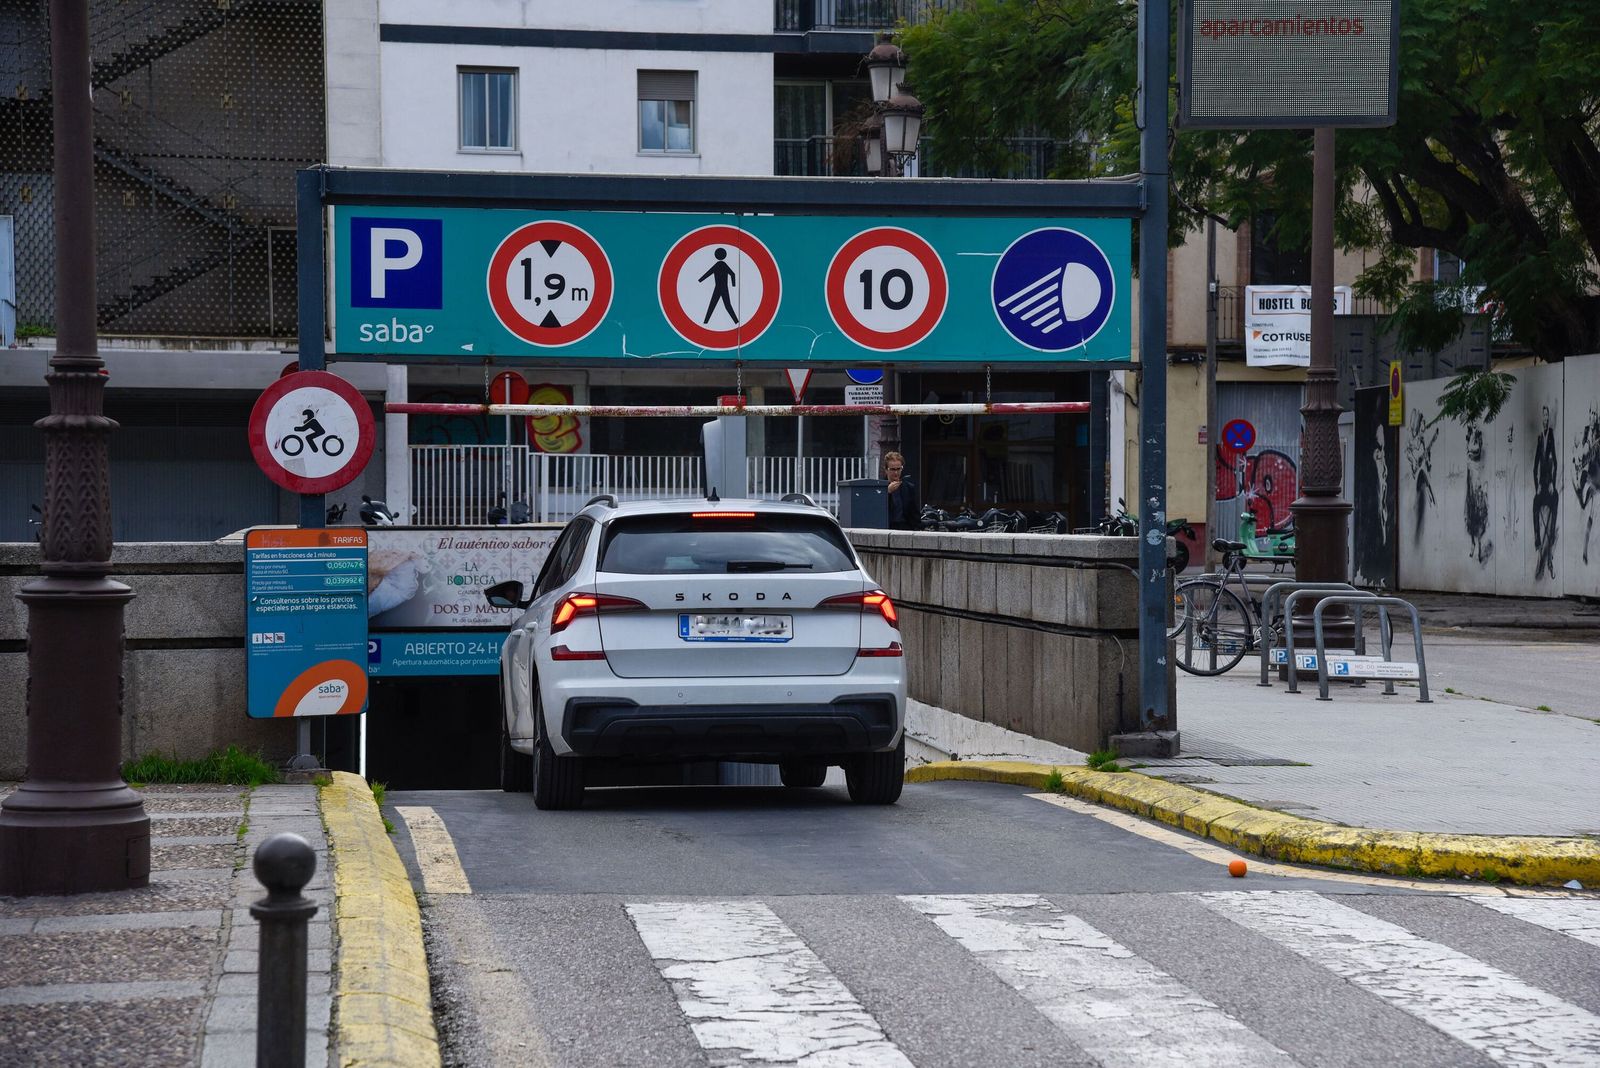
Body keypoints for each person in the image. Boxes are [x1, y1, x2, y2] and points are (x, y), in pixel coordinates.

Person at [884, 451, 919, 530]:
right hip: (887, 528)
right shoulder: (880, 488)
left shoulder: (908, 488)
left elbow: (914, 513)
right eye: (892, 469)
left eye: (898, 469)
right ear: (886, 470)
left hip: (905, 528)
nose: (896, 473)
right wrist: (887, 492)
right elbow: (877, 509)